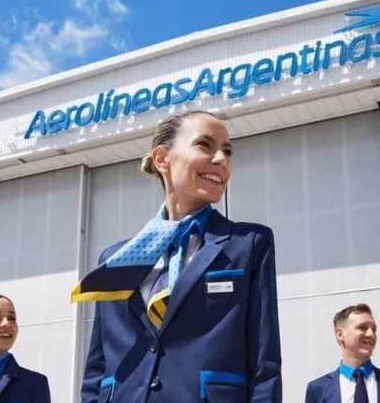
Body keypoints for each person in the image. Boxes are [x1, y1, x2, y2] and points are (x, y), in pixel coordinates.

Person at [75, 110, 282, 402]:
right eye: (205, 145)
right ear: (162, 159)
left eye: (227, 151)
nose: (222, 159)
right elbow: (97, 367)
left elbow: (265, 364)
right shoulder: (118, 258)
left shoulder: (249, 244)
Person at [304, 304, 380, 403]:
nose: (371, 334)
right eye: (362, 327)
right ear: (340, 335)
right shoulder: (317, 389)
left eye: (374, 329)